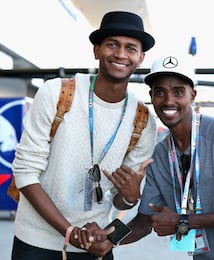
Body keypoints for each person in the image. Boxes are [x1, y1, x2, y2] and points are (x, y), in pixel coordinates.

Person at [11, 11, 157, 260]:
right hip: (36, 242)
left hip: (95, 243)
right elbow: (25, 172)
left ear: (140, 57)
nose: (121, 54)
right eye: (112, 44)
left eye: (130, 48)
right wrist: (69, 232)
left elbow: (120, 202)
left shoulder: (142, 120)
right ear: (96, 50)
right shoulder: (57, 93)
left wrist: (131, 197)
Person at [116, 55, 214, 259]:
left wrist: (185, 221)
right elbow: (143, 222)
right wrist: (108, 238)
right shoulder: (160, 154)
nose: (168, 100)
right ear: (151, 96)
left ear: (192, 95)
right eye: (160, 92)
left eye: (178, 92)